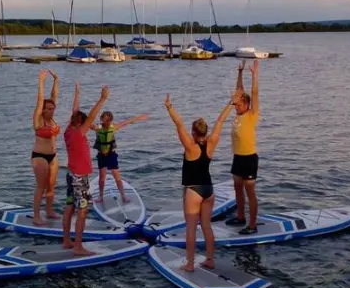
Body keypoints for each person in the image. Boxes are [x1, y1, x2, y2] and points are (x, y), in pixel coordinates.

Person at [164, 90, 238, 271]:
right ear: (205, 131)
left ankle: (190, 264)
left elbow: (178, 124)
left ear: (193, 132)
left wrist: (169, 107)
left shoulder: (190, 147)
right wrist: (231, 103)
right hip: (209, 189)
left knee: (190, 228)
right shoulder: (212, 142)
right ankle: (210, 259)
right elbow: (220, 121)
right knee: (206, 226)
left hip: (193, 190)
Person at [62, 82, 109, 255]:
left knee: (69, 206)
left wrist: (77, 93)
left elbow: (76, 112)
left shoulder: (68, 130)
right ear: (81, 123)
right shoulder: (78, 133)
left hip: (70, 173)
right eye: (86, 125)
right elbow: (91, 116)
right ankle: (78, 247)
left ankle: (67, 240)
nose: (89, 127)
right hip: (80, 176)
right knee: (82, 210)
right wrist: (102, 99)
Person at [228, 59, 260, 234]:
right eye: (236, 104)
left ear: (247, 105)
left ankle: (252, 225)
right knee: (237, 188)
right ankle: (240, 217)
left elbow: (254, 94)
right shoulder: (238, 114)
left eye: (239, 105)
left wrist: (254, 76)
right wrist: (240, 73)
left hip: (249, 158)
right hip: (237, 157)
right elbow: (239, 92)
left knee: (250, 191)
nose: (236, 107)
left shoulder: (251, 115)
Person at [93, 110, 149, 204]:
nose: (105, 122)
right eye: (103, 120)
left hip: (111, 155)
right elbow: (87, 124)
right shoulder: (97, 128)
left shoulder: (113, 127)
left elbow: (127, 122)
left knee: (116, 176)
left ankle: (123, 196)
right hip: (101, 155)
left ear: (110, 120)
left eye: (107, 120)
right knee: (102, 178)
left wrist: (139, 117)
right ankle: (101, 196)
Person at [31, 69, 60, 226]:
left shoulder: (52, 120)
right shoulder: (38, 119)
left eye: (52, 108)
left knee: (51, 186)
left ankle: (49, 211)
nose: (50, 110)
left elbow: (53, 97)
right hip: (40, 156)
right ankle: (36, 215)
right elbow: (41, 99)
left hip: (53, 156)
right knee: (41, 187)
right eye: (47, 108)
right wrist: (41, 82)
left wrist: (56, 81)